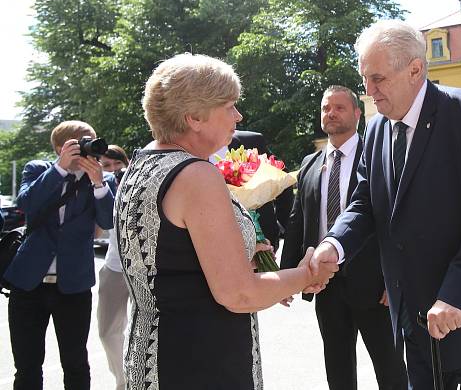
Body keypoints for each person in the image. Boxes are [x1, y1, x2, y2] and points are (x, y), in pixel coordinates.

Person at [310, 20, 461, 390]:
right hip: (414, 319)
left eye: (377, 78)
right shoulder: (376, 130)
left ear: (415, 69)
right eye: (364, 78)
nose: (368, 90)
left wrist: (457, 295)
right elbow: (365, 201)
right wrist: (335, 243)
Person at [117, 53, 337, 390]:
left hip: (152, 354)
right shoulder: (196, 175)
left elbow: (177, 262)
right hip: (201, 361)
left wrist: (257, 264)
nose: (238, 115)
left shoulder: (142, 164)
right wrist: (307, 273)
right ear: (194, 117)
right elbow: (238, 294)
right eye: (229, 105)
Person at [281, 85, 407, 390]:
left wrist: (397, 278)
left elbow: (397, 220)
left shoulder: (379, 155)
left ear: (357, 114)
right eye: (326, 108)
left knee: (391, 370)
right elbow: (298, 222)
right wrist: (285, 276)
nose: (331, 113)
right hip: (325, 286)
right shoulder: (310, 165)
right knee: (337, 371)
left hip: (376, 286)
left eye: (339, 107)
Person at [4, 121, 116, 390]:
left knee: (76, 362)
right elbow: (26, 203)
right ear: (59, 147)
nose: (88, 148)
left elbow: (107, 221)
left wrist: (98, 184)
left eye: (90, 141)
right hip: (28, 284)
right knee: (27, 365)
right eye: (80, 143)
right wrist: (59, 169)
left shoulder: (103, 179)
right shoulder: (38, 170)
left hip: (73, 285)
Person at [96, 144, 130, 390]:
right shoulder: (99, 188)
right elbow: (104, 222)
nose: (113, 169)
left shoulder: (138, 180)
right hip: (114, 266)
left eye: (117, 163)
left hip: (147, 267)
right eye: (106, 165)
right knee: (108, 332)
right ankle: (123, 381)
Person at [229, 129, 293, 252]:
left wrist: (283, 224)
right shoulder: (187, 148)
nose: (238, 116)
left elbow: (282, 178)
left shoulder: (251, 141)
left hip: (265, 240)